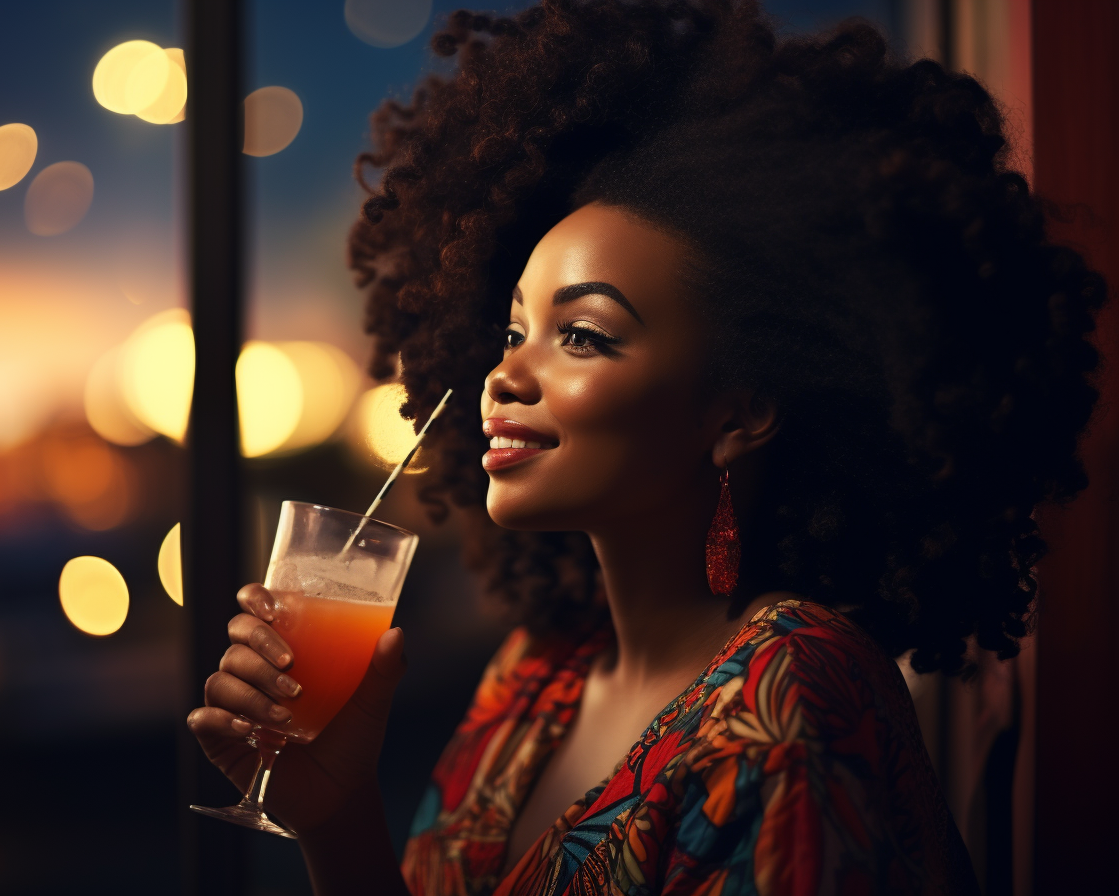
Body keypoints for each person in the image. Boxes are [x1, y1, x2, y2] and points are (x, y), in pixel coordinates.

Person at [188, 1, 1106, 893]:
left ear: (740, 414)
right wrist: (335, 815)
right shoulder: (539, 671)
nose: (505, 377)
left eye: (581, 335)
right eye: (512, 334)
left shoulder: (791, 698)